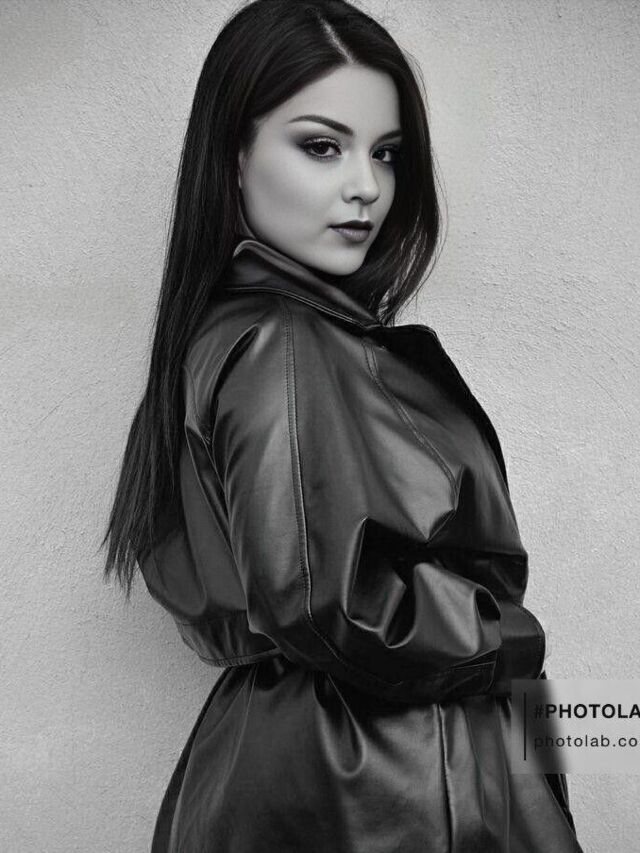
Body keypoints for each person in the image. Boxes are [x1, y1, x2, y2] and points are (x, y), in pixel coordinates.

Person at [100, 1, 585, 850]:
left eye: (385, 153)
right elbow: (328, 604)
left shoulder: (263, 338)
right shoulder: (284, 344)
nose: (366, 186)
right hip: (379, 782)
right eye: (322, 146)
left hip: (340, 767)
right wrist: (511, 635)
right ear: (235, 156)